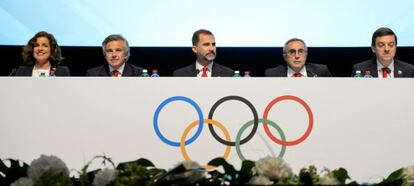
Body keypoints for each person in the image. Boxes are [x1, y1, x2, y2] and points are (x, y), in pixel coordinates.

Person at [265, 38, 331, 77]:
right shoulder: (272, 74)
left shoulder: (321, 71)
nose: (297, 56)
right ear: (285, 57)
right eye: (292, 52)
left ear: (306, 54)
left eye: (300, 51)